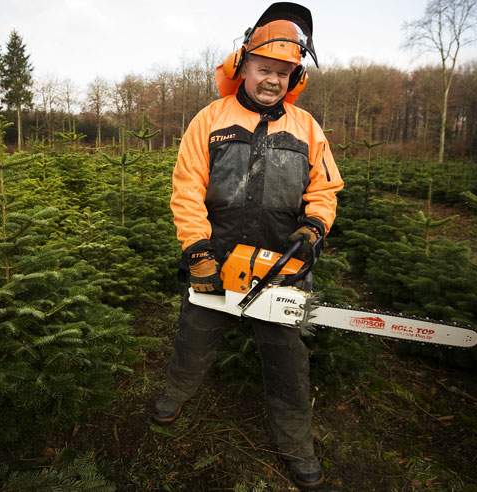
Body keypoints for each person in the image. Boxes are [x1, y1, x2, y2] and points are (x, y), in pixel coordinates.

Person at [152, 3, 344, 489]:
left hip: (283, 263)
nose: (273, 80)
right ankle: (175, 394)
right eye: (264, 68)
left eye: (283, 72)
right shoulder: (210, 119)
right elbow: (186, 189)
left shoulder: (306, 128)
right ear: (243, 66)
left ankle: (296, 442)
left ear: (294, 77)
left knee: (287, 359)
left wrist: (314, 227)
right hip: (216, 257)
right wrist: (197, 251)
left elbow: (324, 189)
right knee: (194, 337)